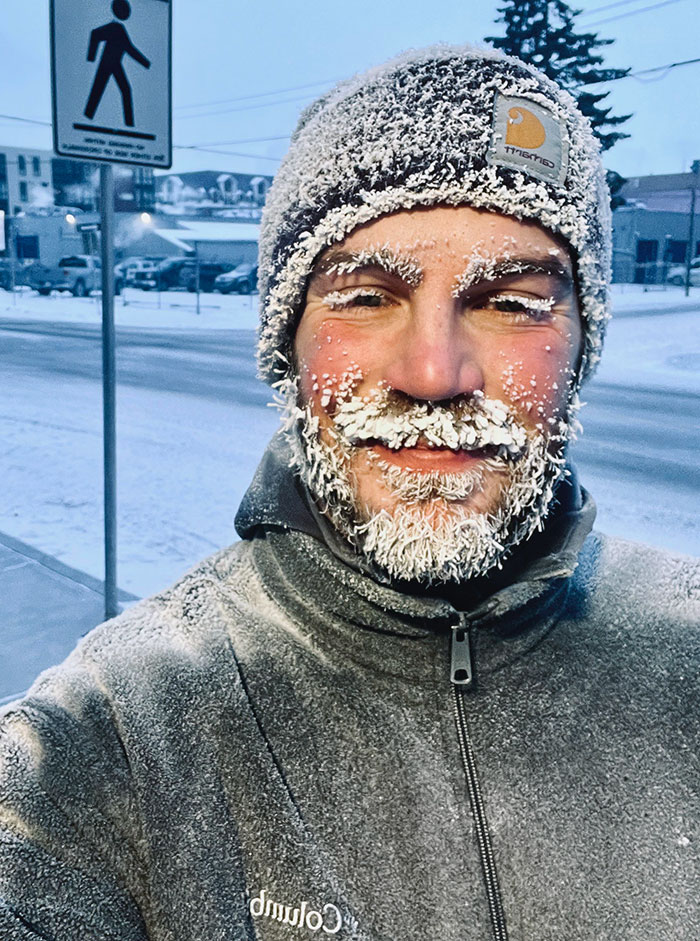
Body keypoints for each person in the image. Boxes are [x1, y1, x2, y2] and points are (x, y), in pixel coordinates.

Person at [1, 44, 698, 941]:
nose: (435, 372)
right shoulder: (119, 741)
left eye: (514, 302)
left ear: (580, 349)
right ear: (287, 348)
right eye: (366, 298)